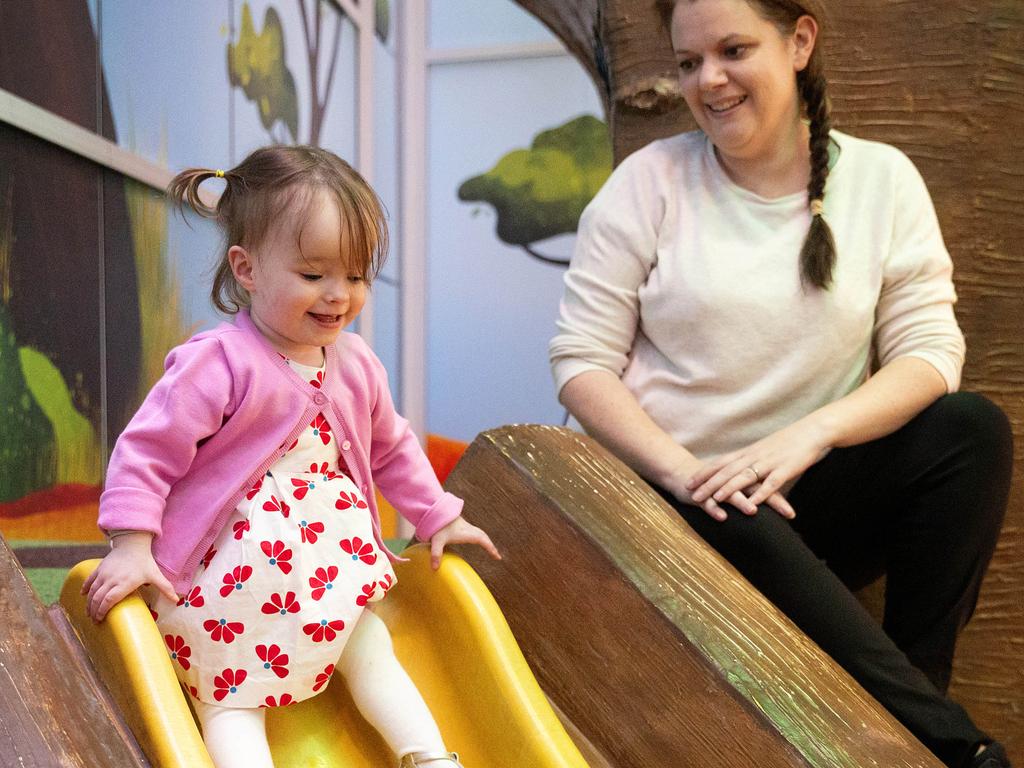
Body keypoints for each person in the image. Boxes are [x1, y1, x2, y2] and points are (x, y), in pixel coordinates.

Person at [548, 1, 1014, 766]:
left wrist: (811, 433)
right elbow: (580, 363)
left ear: (799, 41)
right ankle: (947, 745)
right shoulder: (650, 183)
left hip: (797, 497)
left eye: (734, 50)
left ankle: (910, 712)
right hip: (669, 506)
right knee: (732, 506)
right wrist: (687, 473)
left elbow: (931, 352)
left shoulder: (882, 181)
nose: (710, 81)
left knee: (971, 433)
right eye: (690, 61)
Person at [83, 145, 500, 768]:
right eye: (313, 275)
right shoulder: (217, 361)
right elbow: (148, 451)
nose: (339, 295)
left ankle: (429, 756)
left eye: (356, 276)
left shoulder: (356, 363)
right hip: (226, 578)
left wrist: (437, 514)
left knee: (370, 648)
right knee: (228, 699)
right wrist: (132, 543)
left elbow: (390, 447)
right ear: (246, 268)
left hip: (328, 570)